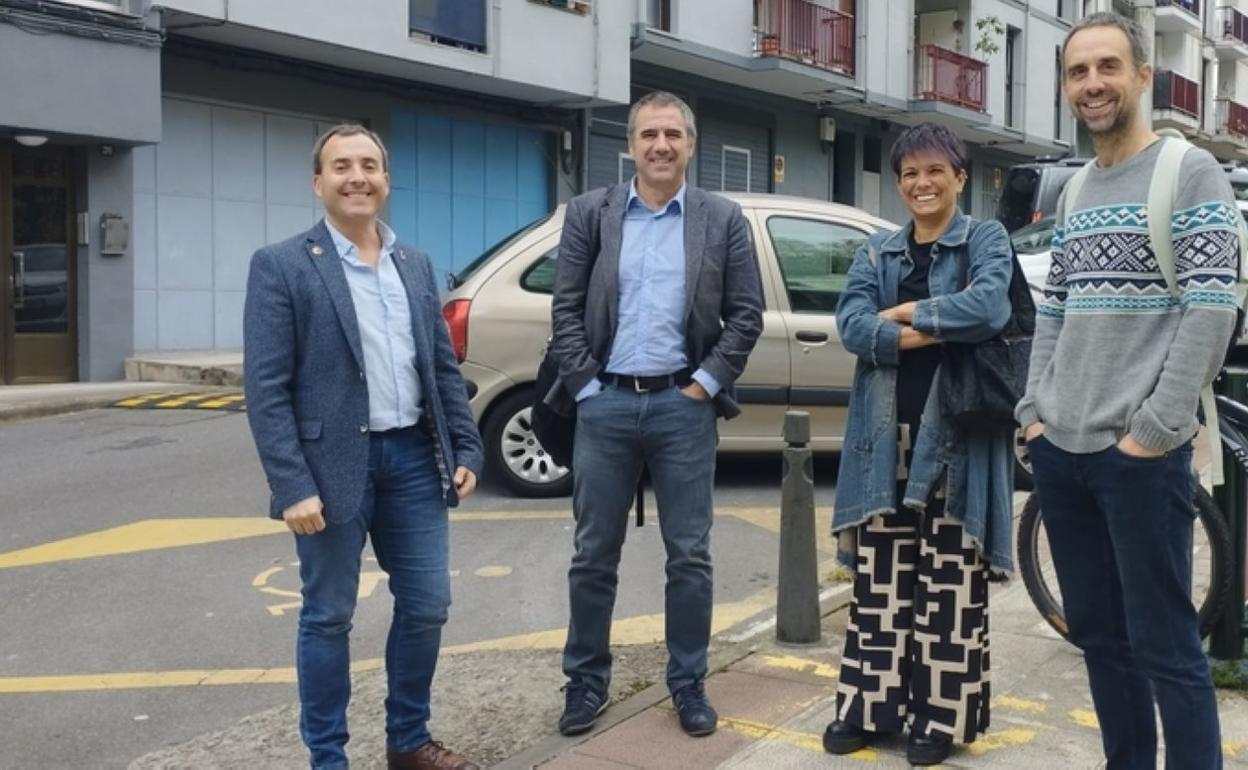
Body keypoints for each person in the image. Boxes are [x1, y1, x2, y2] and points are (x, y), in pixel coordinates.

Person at [1019, 12, 1237, 769]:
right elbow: (1057, 309)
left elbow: (1213, 307)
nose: (1093, 84)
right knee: (1101, 642)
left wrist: (1154, 430)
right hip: (1063, 453)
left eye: (1108, 67)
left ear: (1143, 76)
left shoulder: (1190, 172)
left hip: (1138, 457)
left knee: (1168, 648)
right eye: (1078, 72)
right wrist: (1033, 414)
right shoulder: (1077, 189)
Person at [243, 124, 484, 770]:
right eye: (342, 165)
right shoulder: (282, 265)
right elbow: (265, 390)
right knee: (327, 617)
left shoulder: (415, 264)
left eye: (370, 165)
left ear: (386, 179)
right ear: (317, 181)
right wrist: (291, 485)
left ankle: (408, 740)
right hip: (327, 470)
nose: (358, 177)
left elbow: (439, 368)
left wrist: (466, 445)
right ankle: (329, 758)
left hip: (411, 460)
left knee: (429, 606)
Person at [547, 91, 764, 738]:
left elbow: (746, 314)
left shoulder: (721, 219)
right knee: (592, 554)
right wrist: (586, 387)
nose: (661, 145)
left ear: (690, 145)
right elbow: (564, 308)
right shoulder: (592, 212)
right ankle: (585, 683)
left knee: (690, 556)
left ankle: (688, 682)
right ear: (631, 145)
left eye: (673, 134)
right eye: (649, 134)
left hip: (681, 406)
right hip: (605, 403)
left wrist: (703, 383)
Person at [821, 122, 1016, 767]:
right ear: (899, 183)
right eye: (909, 174)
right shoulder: (878, 252)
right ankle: (870, 707)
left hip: (957, 440)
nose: (922, 184)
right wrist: (939, 328)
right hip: (884, 443)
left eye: (935, 171)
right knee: (881, 583)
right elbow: (850, 325)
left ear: (960, 177)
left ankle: (939, 718)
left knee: (951, 586)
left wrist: (904, 315)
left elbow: (989, 309)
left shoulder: (984, 238)